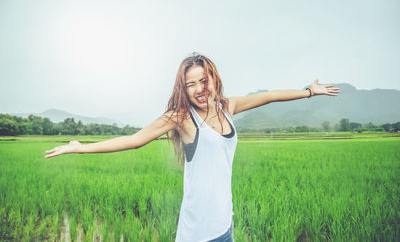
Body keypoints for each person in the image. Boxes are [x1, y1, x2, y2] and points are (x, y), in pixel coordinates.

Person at [44, 53, 340, 242]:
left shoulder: (227, 107)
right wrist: (81, 147)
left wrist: (308, 92)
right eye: (191, 84)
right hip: (197, 234)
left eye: (204, 80)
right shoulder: (182, 118)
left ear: (213, 78)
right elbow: (135, 140)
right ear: (182, 89)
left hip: (225, 227)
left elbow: (270, 95)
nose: (200, 88)